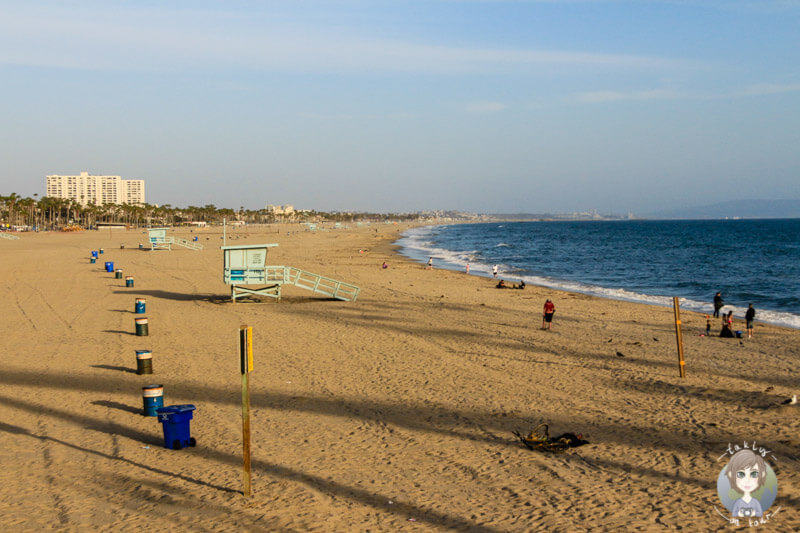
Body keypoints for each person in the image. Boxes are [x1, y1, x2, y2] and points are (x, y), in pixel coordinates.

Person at [725, 449, 767, 518]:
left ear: (762, 475)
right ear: (731, 475)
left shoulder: (755, 502)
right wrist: (739, 514)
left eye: (754, 474)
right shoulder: (738, 502)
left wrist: (753, 513)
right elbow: (734, 513)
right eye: (741, 474)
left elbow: (759, 513)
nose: (747, 480)